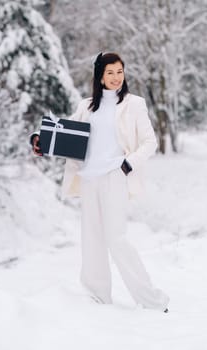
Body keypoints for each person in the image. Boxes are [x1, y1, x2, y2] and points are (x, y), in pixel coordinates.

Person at [31, 52, 169, 312]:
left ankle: (151, 300)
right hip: (89, 179)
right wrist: (38, 137)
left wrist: (128, 164)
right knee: (91, 238)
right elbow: (65, 129)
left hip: (115, 175)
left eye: (120, 71)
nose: (117, 77)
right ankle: (97, 298)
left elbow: (151, 142)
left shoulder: (134, 104)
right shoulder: (87, 106)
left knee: (116, 238)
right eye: (110, 73)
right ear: (100, 76)